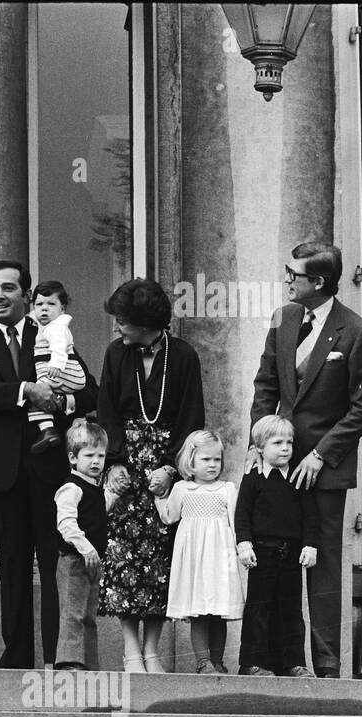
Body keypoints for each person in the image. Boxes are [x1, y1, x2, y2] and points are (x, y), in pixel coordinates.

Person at [0, 261, 98, 670]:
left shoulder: (53, 336)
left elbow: (89, 391)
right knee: (12, 567)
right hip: (2, 476)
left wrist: (61, 402)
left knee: (56, 567)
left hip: (51, 473)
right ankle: (16, 657)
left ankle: (60, 657)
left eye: (8, 288)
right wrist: (26, 391)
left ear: (25, 294)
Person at [248, 242, 362, 678]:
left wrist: (321, 455)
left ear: (318, 282)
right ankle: (275, 661)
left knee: (321, 568)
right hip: (277, 463)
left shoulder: (356, 331)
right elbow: (266, 385)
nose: (286, 279)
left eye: (293, 274)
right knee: (271, 561)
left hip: (325, 469)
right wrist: (258, 442)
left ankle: (326, 666)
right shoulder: (283, 319)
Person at [97, 278, 205, 673]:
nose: (117, 327)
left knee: (161, 561)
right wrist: (116, 462)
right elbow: (106, 410)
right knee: (124, 559)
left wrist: (173, 470)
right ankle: (130, 652)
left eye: (123, 320)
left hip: (165, 472)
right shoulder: (115, 354)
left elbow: (192, 417)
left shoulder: (184, 356)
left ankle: (154, 651)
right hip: (125, 467)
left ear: (145, 322)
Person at [236, 415, 320, 677]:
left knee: (291, 610)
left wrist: (310, 546)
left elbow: (310, 515)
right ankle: (253, 663)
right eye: (277, 442)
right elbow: (242, 514)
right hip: (262, 552)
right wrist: (244, 543)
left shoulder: (297, 477)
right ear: (260, 447)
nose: (285, 448)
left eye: (289, 442)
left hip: (291, 554)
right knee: (258, 608)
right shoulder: (253, 479)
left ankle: (293, 662)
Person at [154, 430, 244, 675]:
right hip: (194, 559)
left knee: (219, 610)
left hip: (220, 557)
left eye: (216, 459)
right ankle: (202, 661)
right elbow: (169, 516)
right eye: (206, 459)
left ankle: (217, 661)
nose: (212, 465)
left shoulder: (227, 489)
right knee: (200, 610)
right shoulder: (182, 489)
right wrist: (159, 497)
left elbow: (237, 524)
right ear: (190, 461)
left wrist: (242, 549)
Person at [52, 419, 118, 671]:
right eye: (89, 455)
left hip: (92, 561)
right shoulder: (71, 487)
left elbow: (98, 512)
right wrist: (86, 547)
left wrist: (114, 494)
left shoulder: (95, 487)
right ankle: (69, 661)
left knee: (89, 615)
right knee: (73, 612)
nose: (96, 461)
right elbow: (66, 524)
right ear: (73, 457)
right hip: (73, 561)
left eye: (101, 456)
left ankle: (88, 662)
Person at [27, 280, 88, 454]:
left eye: (51, 304)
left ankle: (47, 429)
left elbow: (59, 347)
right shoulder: (41, 325)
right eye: (39, 304)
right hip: (65, 376)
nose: (44, 308)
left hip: (62, 371)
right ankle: (74, 419)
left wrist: (56, 364)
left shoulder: (56, 328)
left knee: (36, 395)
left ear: (62, 309)